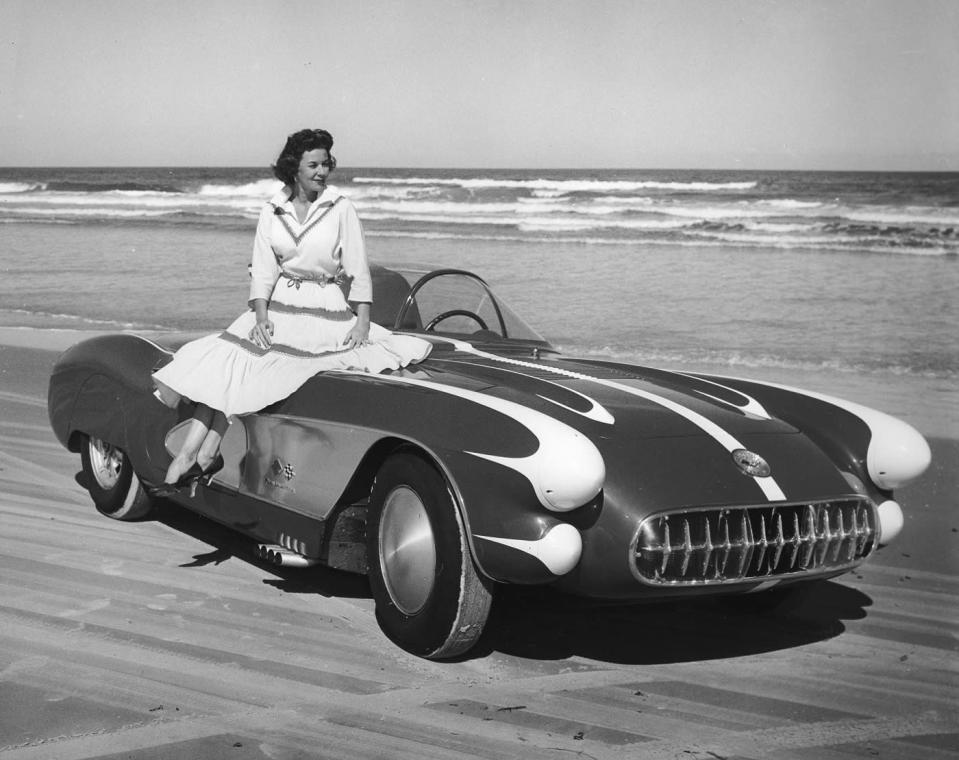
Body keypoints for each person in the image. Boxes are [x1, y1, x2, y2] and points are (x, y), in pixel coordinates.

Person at [150, 128, 431, 495]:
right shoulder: (273, 209)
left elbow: (358, 267)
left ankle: (201, 455)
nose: (322, 172)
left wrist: (362, 321)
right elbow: (263, 268)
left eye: (326, 164)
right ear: (292, 168)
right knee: (227, 362)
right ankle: (194, 454)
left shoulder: (340, 207)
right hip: (278, 306)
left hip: (323, 308)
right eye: (312, 164)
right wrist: (261, 315)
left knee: (251, 370)